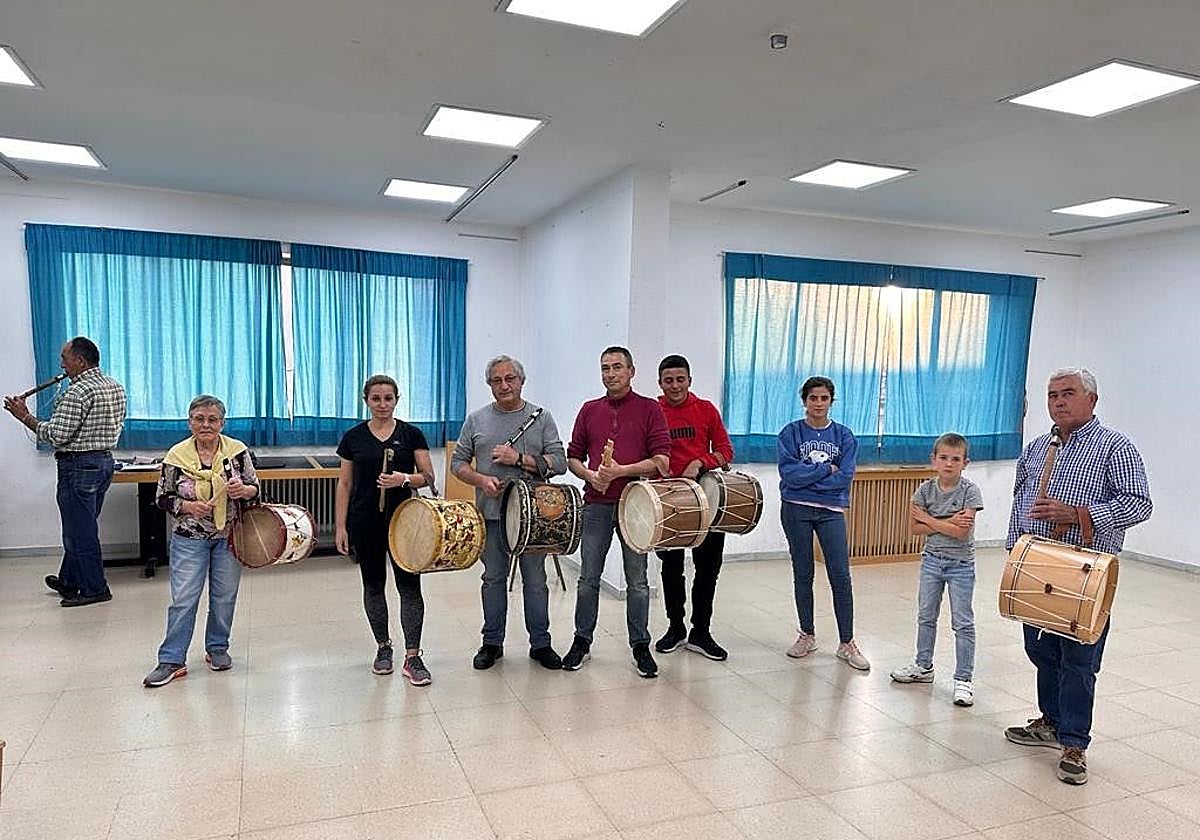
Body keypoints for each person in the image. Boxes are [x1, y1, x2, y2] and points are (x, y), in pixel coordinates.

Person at [1003, 367, 1151, 786]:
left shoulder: (1115, 447)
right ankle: (1050, 721)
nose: (1058, 402)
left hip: (1085, 572)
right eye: (1052, 395)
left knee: (1079, 660)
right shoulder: (1035, 449)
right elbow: (1020, 503)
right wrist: (1015, 556)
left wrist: (1081, 515)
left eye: (1068, 393)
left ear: (1092, 400)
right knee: (1041, 651)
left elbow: (1139, 504)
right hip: (1036, 566)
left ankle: (1074, 742)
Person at [452, 355, 568, 671]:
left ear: (521, 380)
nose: (504, 385)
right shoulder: (476, 420)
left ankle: (541, 644)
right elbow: (458, 464)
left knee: (535, 582)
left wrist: (519, 459)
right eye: (496, 381)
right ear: (489, 385)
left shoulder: (541, 418)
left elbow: (559, 462)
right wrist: (481, 480)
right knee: (492, 579)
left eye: (510, 378)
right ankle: (492, 643)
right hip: (491, 515)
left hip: (533, 519)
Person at [564, 346, 671, 677]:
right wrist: (591, 475)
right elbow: (573, 457)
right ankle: (582, 641)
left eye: (617, 367)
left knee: (637, 581)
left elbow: (662, 461)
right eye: (605, 368)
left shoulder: (650, 409)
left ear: (631, 371)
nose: (610, 373)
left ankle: (639, 644)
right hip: (596, 504)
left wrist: (621, 471)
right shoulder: (589, 409)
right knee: (587, 579)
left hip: (634, 505)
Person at [143, 396, 259, 687]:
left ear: (222, 423)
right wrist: (188, 507)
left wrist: (241, 490)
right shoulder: (176, 456)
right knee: (183, 600)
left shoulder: (237, 452)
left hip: (229, 535)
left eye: (212, 419)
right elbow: (162, 498)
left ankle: (217, 648)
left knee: (224, 596)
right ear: (190, 421)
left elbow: (255, 488)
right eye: (199, 418)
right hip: (189, 538)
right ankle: (171, 659)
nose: (206, 424)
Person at [4, 337, 126, 607]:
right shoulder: (114, 385)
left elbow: (57, 436)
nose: (61, 363)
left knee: (79, 532)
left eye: (65, 358)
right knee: (81, 526)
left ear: (80, 362)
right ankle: (70, 581)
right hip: (103, 463)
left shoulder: (78, 392)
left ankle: (95, 589)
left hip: (78, 467)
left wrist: (24, 416)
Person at [335, 374, 436, 686]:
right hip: (365, 522)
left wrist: (404, 479)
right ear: (366, 400)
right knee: (374, 584)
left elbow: (429, 476)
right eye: (376, 398)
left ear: (397, 399)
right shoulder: (353, 438)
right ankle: (383, 648)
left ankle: (413, 656)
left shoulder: (412, 434)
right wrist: (341, 526)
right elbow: (345, 483)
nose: (382, 404)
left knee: (409, 587)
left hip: (404, 523)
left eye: (388, 398)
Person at [777, 375, 869, 670]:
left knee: (840, 575)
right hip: (796, 509)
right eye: (813, 398)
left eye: (824, 398)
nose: (818, 403)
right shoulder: (790, 433)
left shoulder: (844, 436)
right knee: (803, 573)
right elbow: (789, 474)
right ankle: (807, 634)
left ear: (832, 401)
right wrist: (825, 470)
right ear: (804, 400)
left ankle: (847, 642)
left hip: (831, 511)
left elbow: (845, 476)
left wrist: (812, 476)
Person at [890, 433, 983, 706]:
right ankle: (923, 666)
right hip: (931, 561)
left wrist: (931, 519)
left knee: (963, 623)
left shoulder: (970, 491)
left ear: (965, 462)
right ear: (934, 460)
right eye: (943, 458)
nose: (949, 464)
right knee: (926, 616)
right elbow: (914, 528)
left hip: (961, 566)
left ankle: (964, 679)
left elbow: (961, 533)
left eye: (956, 459)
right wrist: (947, 521)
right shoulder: (923, 491)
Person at [653, 354, 735, 661]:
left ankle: (701, 631)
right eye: (668, 380)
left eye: (680, 379)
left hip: (706, 499)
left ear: (690, 380)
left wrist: (701, 461)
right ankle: (675, 628)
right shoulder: (653, 411)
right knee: (671, 568)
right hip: (668, 500)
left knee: (707, 568)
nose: (675, 385)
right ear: (660, 383)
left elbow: (727, 451)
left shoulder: (706, 410)